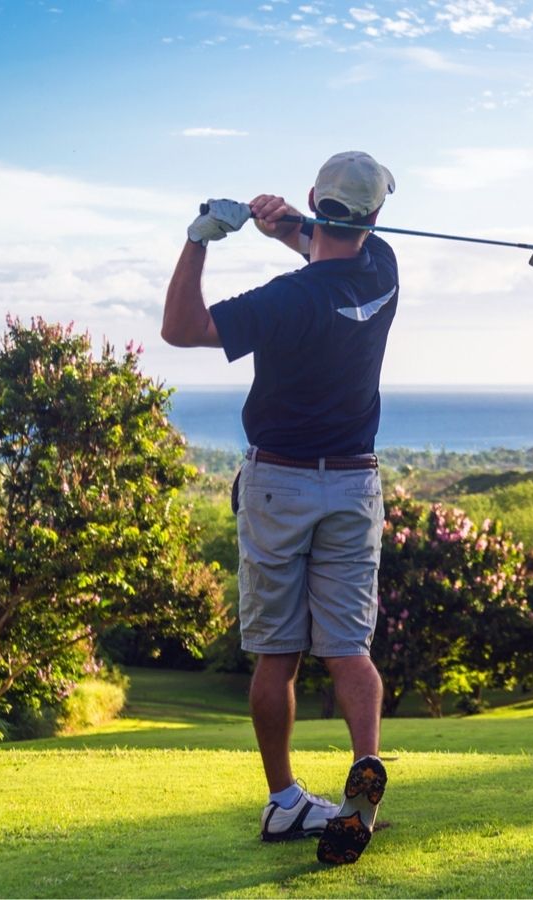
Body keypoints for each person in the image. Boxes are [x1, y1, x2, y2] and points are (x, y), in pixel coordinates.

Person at [160, 151, 398, 866]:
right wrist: (284, 227)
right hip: (355, 484)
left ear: (313, 199)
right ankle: (364, 771)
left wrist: (200, 237)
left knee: (278, 653)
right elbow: (325, 243)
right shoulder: (383, 268)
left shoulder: (284, 301)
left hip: (280, 484)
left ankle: (286, 802)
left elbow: (182, 328)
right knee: (348, 649)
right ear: (376, 216)